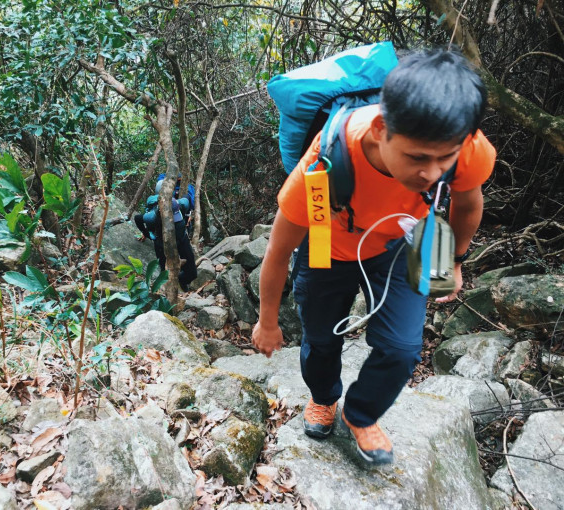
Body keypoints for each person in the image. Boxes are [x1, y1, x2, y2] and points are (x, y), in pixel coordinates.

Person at [252, 48, 496, 465]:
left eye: (445, 159)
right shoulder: (324, 166)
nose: (434, 173)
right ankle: (324, 398)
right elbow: (278, 251)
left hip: (403, 239)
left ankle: (361, 414)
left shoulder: (466, 145)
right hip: (329, 242)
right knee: (322, 338)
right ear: (381, 128)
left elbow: (469, 204)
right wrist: (268, 321)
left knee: (402, 349)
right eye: (418, 158)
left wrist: (454, 260)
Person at [134, 183, 197, 291]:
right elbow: (137, 218)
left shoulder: (181, 204)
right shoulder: (152, 217)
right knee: (165, 274)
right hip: (161, 243)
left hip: (181, 239)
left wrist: (187, 217)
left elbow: (187, 198)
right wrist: (147, 234)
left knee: (192, 273)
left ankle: (181, 282)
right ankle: (170, 293)